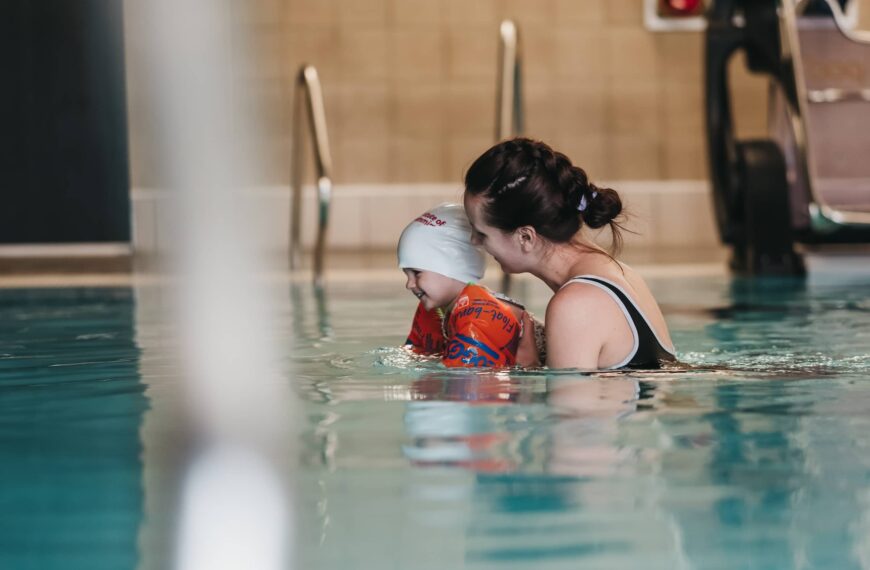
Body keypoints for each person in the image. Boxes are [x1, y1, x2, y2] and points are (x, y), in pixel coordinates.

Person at [462, 138, 676, 370]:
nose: (474, 241)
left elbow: (566, 406)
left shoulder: (575, 305)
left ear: (525, 237)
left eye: (482, 233)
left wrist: (526, 367)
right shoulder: (621, 273)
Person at [397, 203, 543, 368]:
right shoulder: (435, 309)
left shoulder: (480, 315)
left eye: (417, 273)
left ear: (453, 265)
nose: (409, 284)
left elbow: (467, 386)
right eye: (406, 274)